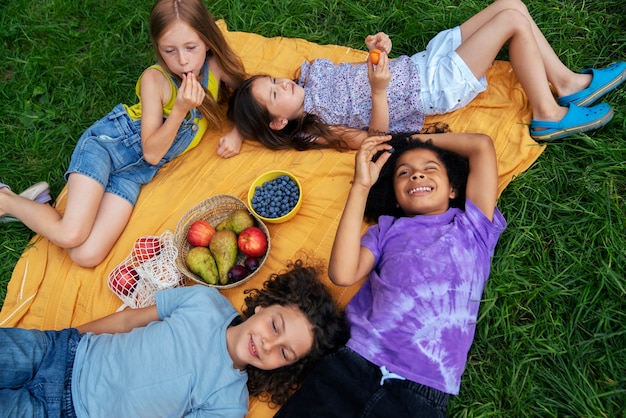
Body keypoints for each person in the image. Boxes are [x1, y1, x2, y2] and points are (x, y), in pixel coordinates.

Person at [274, 131, 506, 417]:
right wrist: (361, 186)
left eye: (429, 169)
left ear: (453, 189)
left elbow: (481, 145)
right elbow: (343, 274)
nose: (417, 176)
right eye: (404, 173)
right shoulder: (386, 230)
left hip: (422, 393)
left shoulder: (473, 227)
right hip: (353, 365)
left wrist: (410, 141)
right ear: (394, 197)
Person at [0, 0, 247, 267]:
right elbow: (152, 152)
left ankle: (31, 205)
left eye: (191, 47)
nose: (183, 60)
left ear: (208, 41)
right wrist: (179, 110)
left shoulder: (216, 68)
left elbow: (249, 96)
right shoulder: (156, 80)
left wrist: (238, 132)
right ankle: (4, 200)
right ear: (158, 49)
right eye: (169, 51)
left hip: (133, 174)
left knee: (85, 255)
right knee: (71, 234)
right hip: (107, 147)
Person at [225, 0, 625, 152]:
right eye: (276, 94)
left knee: (512, 3)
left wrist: (377, 49)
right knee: (511, 24)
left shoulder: (308, 76)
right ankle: (547, 115)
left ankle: (569, 85)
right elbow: (376, 140)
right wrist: (379, 93)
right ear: (278, 120)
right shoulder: (315, 128)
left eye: (274, 81)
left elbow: (368, 68)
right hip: (433, 87)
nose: (284, 84)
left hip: (421, 62)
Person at [0, 259, 348, 417]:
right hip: (63, 353)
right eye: (275, 326)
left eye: (284, 352)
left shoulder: (228, 402)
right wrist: (70, 336)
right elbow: (129, 321)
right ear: (265, 307)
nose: (269, 345)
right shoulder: (205, 301)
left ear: (284, 367)